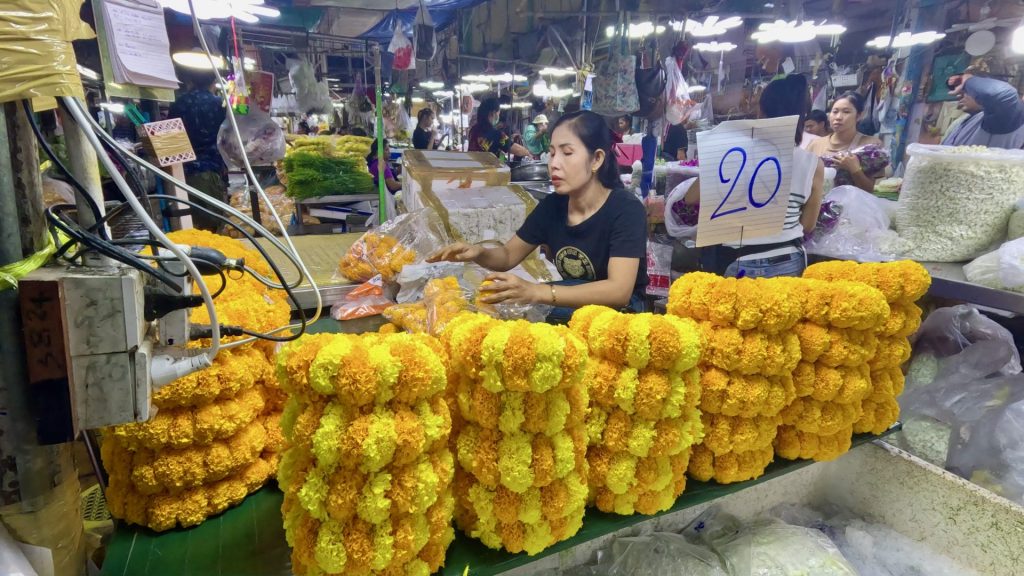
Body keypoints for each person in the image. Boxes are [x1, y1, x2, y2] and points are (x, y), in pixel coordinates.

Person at [428, 110, 648, 318]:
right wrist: (478, 252)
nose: (554, 164)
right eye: (552, 154)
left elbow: (619, 291)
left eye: (567, 153)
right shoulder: (553, 206)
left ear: (597, 159)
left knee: (534, 305)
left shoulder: (625, 209)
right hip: (577, 305)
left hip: (624, 313)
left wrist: (537, 292)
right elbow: (507, 256)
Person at [684, 74, 826, 278]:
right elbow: (808, 225)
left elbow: (691, 198)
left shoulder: (729, 151)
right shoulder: (813, 164)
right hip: (787, 259)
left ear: (762, 110)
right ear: (802, 115)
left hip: (737, 260)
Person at [167, 70, 227, 232]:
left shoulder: (178, 104)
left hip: (182, 173)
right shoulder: (218, 104)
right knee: (212, 227)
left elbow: (171, 140)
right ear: (213, 83)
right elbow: (234, 128)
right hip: (210, 171)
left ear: (190, 81)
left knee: (191, 226)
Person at [806, 92, 884, 191]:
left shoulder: (871, 147)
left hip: (856, 205)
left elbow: (876, 191)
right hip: (819, 205)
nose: (838, 117)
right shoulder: (815, 145)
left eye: (846, 112)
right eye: (834, 112)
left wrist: (855, 170)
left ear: (859, 116)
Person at [943, 75, 1024, 149]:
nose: (960, 95)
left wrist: (968, 80)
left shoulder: (999, 121)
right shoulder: (962, 121)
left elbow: (1000, 94)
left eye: (968, 91)